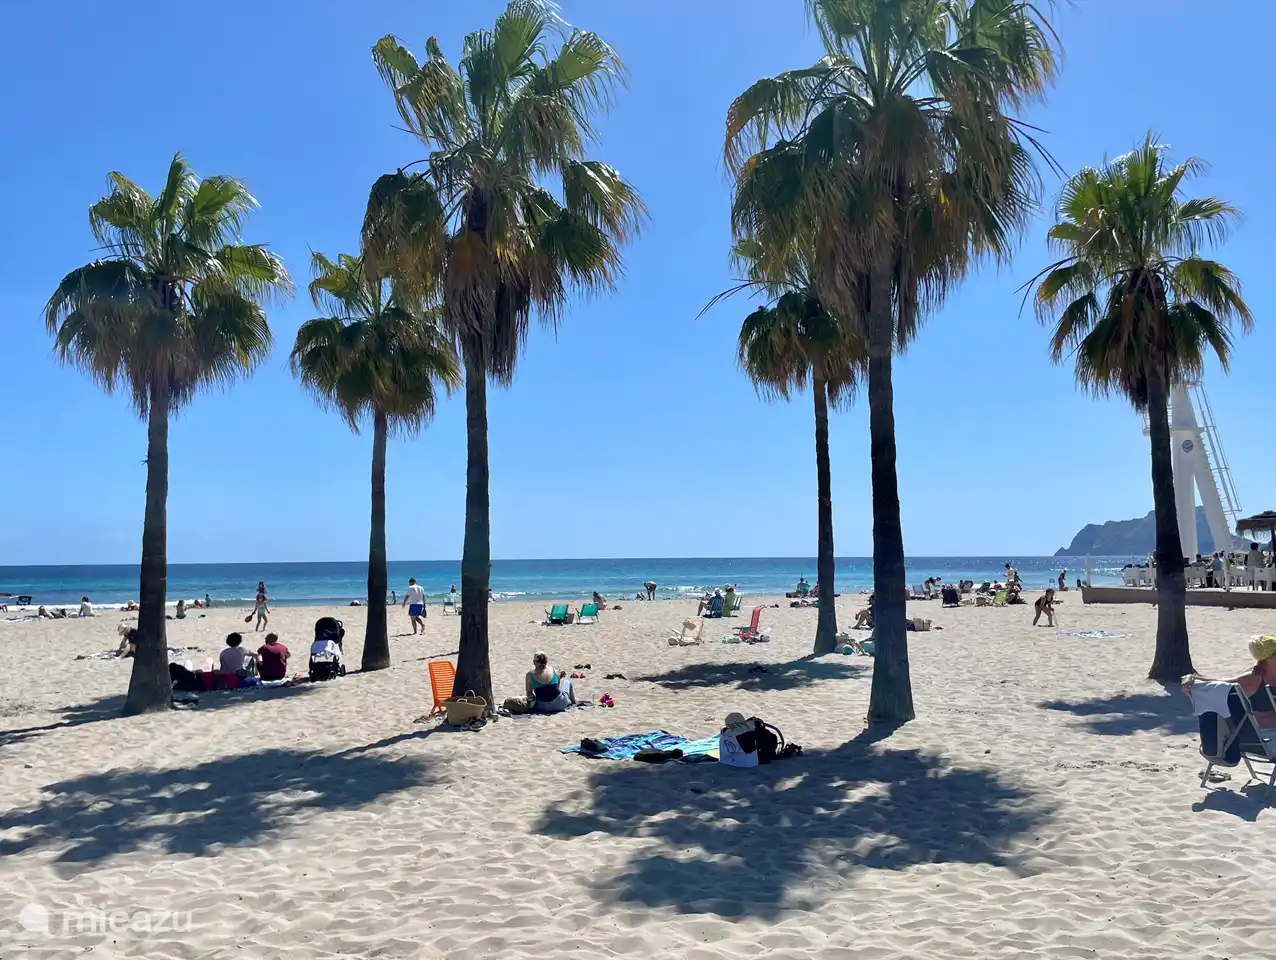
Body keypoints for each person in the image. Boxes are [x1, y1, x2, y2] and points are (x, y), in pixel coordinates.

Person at [1183, 636, 1276, 727]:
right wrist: (1192, 677)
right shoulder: (1254, 678)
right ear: (1269, 657)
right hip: (1266, 731)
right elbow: (1222, 683)